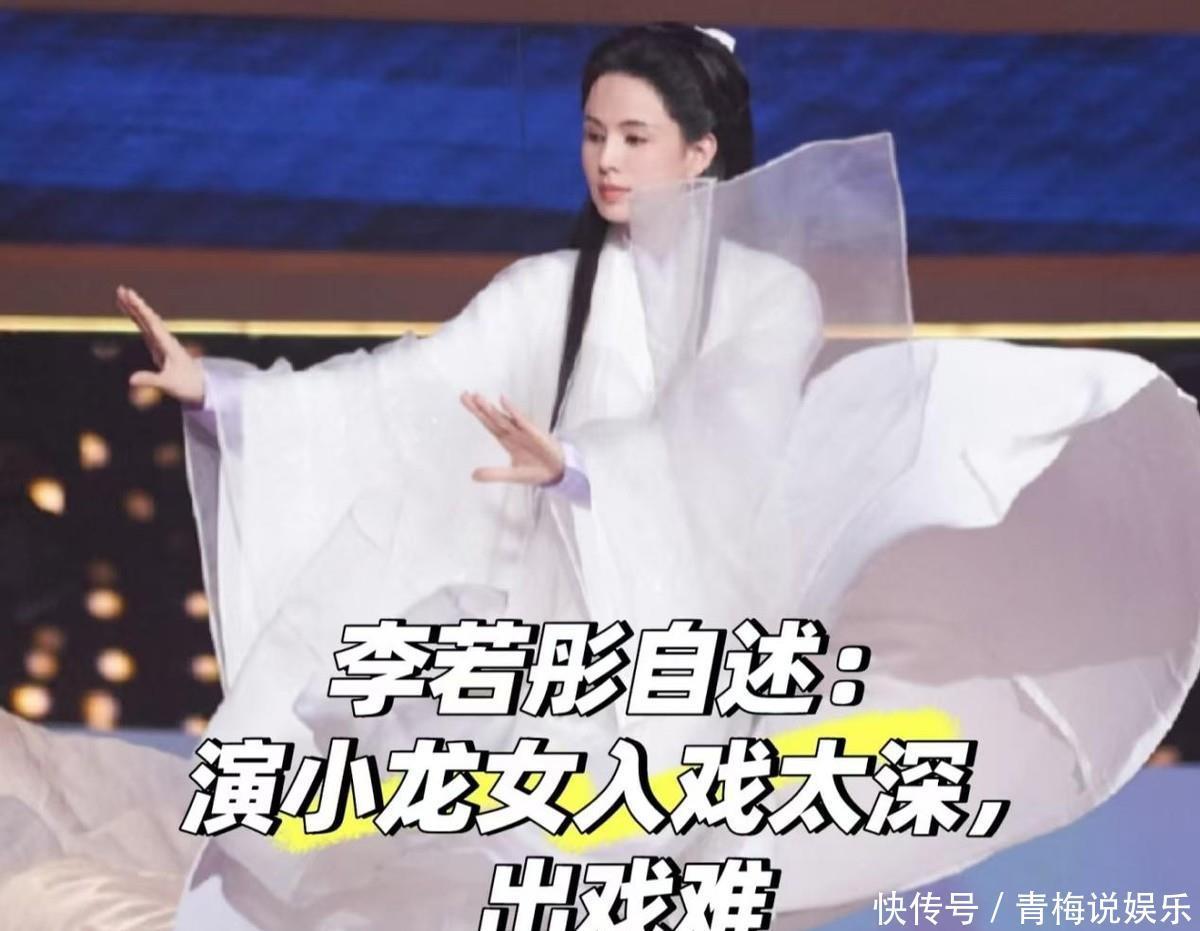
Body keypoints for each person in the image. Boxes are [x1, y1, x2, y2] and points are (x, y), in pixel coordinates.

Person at [3, 21, 1200, 931]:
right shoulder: (549, 291)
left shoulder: (767, 295)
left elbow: (727, 439)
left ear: (701, 148)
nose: (608, 160)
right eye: (593, 134)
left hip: (679, 634)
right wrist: (225, 391)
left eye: (634, 137)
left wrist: (581, 465)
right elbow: (401, 391)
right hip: (538, 627)